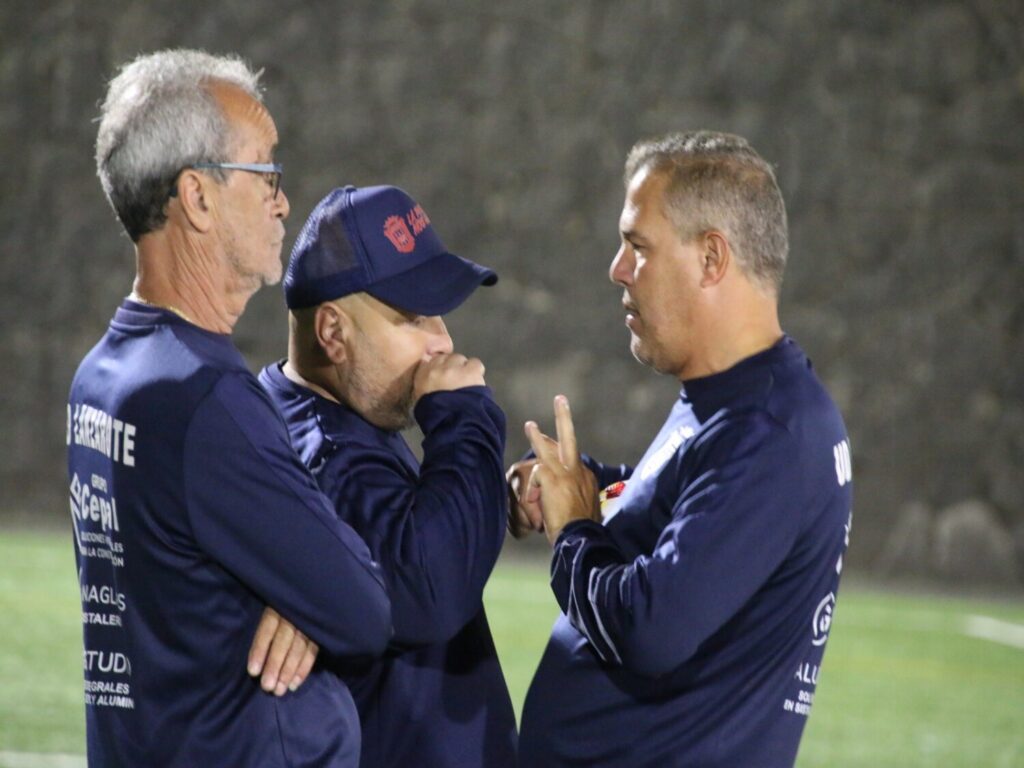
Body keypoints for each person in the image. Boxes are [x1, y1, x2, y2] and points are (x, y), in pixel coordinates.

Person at [67, 50, 392, 767]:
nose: (282, 199)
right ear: (199, 197)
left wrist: (300, 593)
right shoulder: (202, 399)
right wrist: (310, 596)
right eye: (265, 171)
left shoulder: (102, 376)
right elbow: (363, 612)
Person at [508, 131, 853, 767]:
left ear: (711, 259)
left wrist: (573, 531)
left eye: (638, 247)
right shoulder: (736, 401)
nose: (617, 268)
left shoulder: (768, 432)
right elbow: (681, 504)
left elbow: (650, 630)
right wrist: (581, 484)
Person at [257, 184, 518, 767]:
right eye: (413, 317)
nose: (442, 341)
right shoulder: (321, 454)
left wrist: (495, 495)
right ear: (332, 332)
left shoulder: (331, 417)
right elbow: (430, 590)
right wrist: (465, 420)